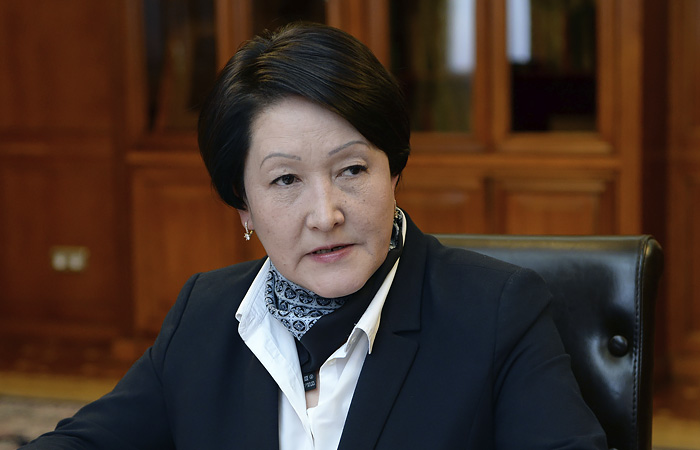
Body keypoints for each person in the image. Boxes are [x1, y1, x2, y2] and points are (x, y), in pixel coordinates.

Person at [22, 22, 606, 449]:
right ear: (243, 206)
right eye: (286, 180)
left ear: (394, 171)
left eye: (351, 169)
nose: (325, 215)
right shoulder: (206, 314)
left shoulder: (497, 312)